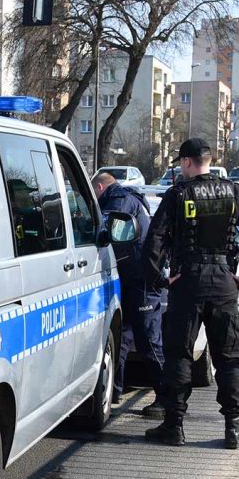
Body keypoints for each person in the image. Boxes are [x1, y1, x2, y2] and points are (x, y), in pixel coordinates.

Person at [141, 138, 239, 449]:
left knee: (179, 355)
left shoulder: (178, 194)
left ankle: (174, 426)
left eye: (180, 163)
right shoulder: (234, 192)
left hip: (187, 282)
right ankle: (233, 428)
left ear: (187, 162)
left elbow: (154, 241)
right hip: (224, 281)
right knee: (228, 358)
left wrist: (159, 279)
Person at [92, 172, 165, 413]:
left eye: (94, 194)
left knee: (148, 339)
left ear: (100, 187)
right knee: (121, 337)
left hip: (140, 281)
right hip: (131, 279)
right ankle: (114, 390)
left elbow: (105, 232)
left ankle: (166, 399)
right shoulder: (128, 198)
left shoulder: (119, 201)